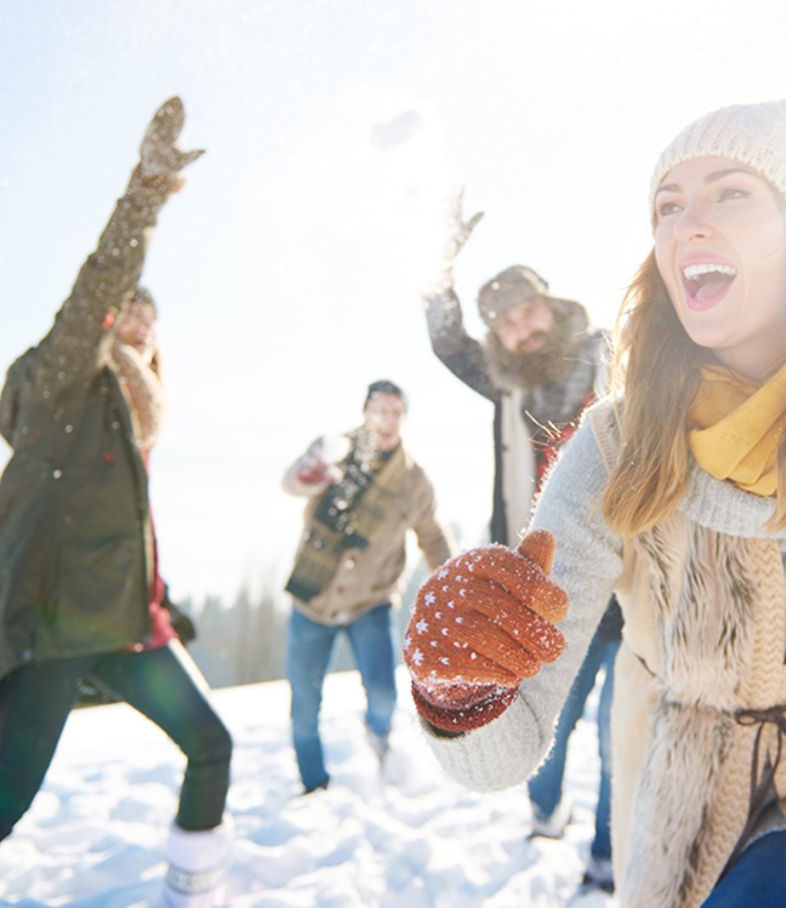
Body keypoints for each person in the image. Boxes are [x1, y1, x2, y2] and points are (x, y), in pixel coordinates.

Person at [403, 100, 786, 907]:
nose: (686, 226)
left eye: (730, 194)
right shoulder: (608, 442)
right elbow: (499, 752)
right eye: (668, 207)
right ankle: (579, 834)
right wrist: (460, 688)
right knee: (586, 724)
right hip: (639, 690)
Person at [0, 98, 234, 908]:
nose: (137, 317)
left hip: (128, 622)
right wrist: (144, 193)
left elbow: (117, 524)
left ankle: (191, 889)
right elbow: (94, 290)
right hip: (56, 628)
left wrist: (155, 596)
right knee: (5, 803)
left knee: (211, 743)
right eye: (127, 307)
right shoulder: (66, 377)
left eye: (149, 314)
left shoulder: (137, 419)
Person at [425, 219, 620, 889]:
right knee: (550, 719)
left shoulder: (610, 354)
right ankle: (545, 808)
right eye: (504, 320)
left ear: (551, 301)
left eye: (528, 306)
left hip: (636, 576)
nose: (521, 325)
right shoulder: (506, 383)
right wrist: (435, 266)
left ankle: (607, 854)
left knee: (623, 733)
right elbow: (446, 341)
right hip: (549, 584)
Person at [282, 379, 452, 794]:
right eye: (381, 409)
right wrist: (310, 473)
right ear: (365, 412)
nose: (388, 419)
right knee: (304, 707)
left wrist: (453, 586)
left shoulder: (413, 480)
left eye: (396, 411)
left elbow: (431, 536)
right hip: (313, 599)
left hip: (371, 603)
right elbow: (292, 483)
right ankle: (314, 787)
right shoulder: (334, 451)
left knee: (382, 696)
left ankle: (378, 736)